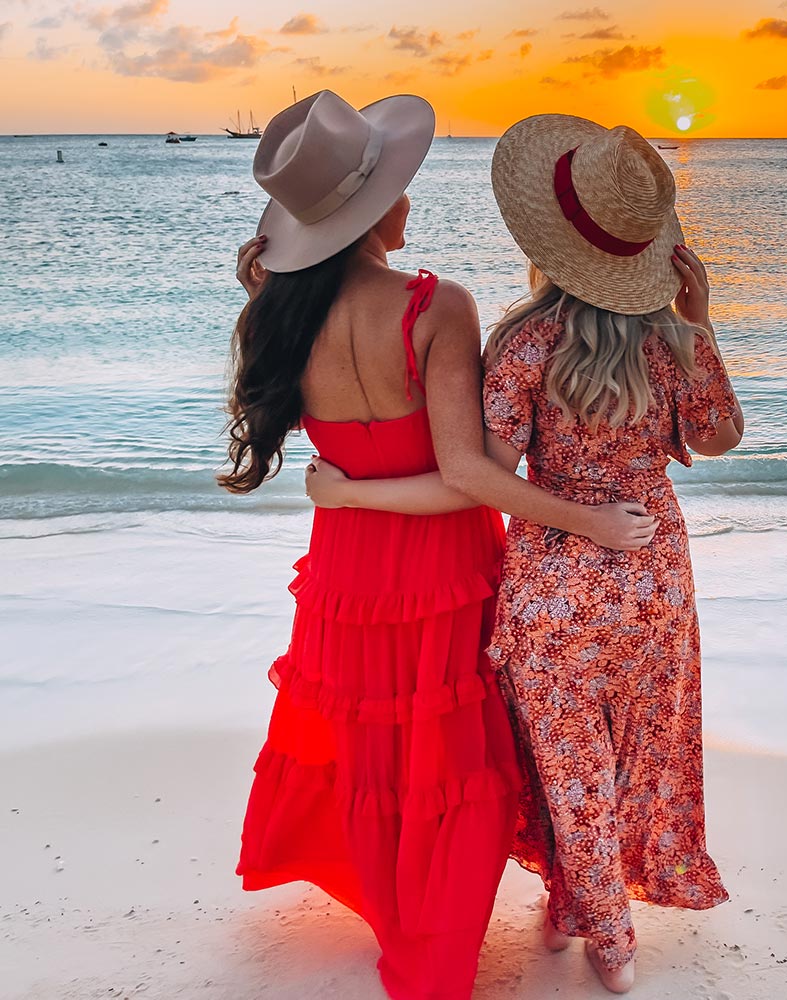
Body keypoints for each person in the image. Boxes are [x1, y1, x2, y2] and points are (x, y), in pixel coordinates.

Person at [223, 92, 655, 1000]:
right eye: (399, 185)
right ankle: (437, 946)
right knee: (449, 762)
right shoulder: (433, 305)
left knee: (378, 754)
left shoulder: (278, 314)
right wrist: (594, 523)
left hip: (347, 566)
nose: (409, 199)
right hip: (443, 569)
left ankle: (399, 919)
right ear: (373, 210)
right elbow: (469, 472)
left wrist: (345, 490)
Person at [305, 114, 743, 993]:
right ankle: (600, 920)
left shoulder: (522, 345)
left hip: (549, 584)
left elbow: (481, 474)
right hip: (653, 576)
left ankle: (587, 920)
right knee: (638, 749)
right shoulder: (672, 342)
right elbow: (722, 436)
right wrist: (702, 324)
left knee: (563, 758)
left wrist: (354, 487)